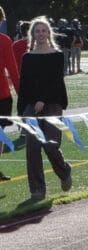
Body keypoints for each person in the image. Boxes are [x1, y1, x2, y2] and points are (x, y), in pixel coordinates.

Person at [17, 16, 72, 201]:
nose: (40, 34)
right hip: (31, 106)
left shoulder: (57, 56)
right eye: (37, 31)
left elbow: (55, 81)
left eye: (43, 30)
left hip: (53, 103)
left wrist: (42, 99)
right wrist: (21, 113)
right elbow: (23, 86)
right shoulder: (27, 57)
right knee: (32, 148)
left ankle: (64, 171)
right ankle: (37, 190)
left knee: (50, 145)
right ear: (32, 34)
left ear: (49, 33)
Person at [0, 30, 20, 181]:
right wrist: (22, 95)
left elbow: (12, 69)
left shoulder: (5, 40)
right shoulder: (4, 40)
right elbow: (12, 70)